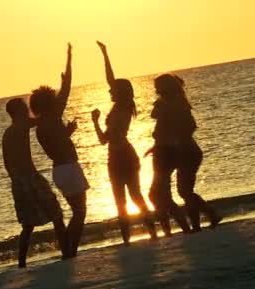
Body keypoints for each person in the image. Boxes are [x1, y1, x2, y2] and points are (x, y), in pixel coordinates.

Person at [91, 41, 158, 245]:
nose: (109, 92)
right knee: (128, 197)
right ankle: (143, 234)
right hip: (120, 155)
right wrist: (104, 54)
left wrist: (95, 121)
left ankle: (135, 237)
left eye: (113, 91)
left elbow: (104, 139)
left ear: (119, 93)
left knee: (127, 198)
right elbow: (112, 80)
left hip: (121, 156)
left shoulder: (123, 107)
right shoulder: (123, 106)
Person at [30, 43, 89, 257]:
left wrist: (68, 133)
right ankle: (69, 250)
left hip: (59, 171)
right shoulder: (54, 117)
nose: (58, 98)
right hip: (69, 169)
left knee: (77, 211)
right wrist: (69, 59)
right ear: (50, 102)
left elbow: (55, 147)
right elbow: (68, 88)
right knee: (80, 212)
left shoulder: (40, 126)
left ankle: (68, 249)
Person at [151, 74, 223, 232]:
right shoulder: (169, 103)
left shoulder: (176, 103)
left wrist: (178, 140)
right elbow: (155, 116)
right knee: (185, 191)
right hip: (183, 150)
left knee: (184, 190)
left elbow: (190, 126)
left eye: (158, 86)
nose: (156, 90)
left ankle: (210, 213)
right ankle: (198, 224)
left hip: (187, 151)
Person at [2, 98, 68, 268]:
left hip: (17, 182)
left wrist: (17, 180)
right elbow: (44, 118)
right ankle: (67, 251)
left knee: (28, 224)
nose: (28, 109)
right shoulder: (21, 125)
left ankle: (22, 262)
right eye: (25, 107)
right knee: (56, 213)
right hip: (30, 178)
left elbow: (7, 163)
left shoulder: (7, 133)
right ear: (18, 111)